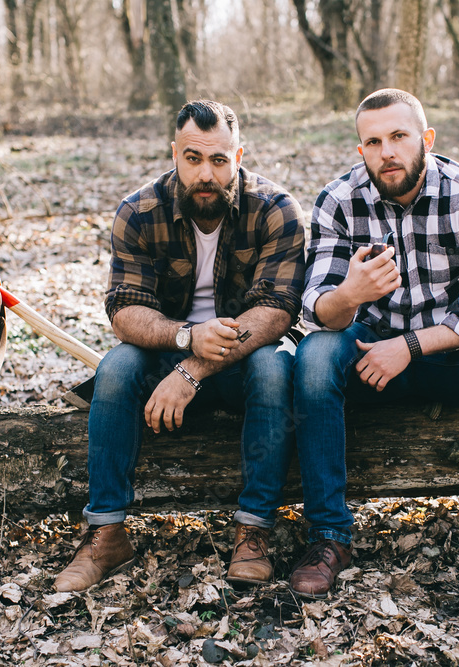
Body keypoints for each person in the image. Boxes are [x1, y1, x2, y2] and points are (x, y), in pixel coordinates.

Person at [291, 89, 459, 622]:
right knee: (311, 359)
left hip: (452, 356)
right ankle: (329, 537)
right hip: (366, 354)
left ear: (426, 139)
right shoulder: (338, 201)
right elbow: (316, 312)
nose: (387, 152)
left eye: (399, 137)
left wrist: (409, 346)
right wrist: (350, 294)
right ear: (361, 149)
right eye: (374, 142)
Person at [54, 100, 305, 592]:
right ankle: (105, 533)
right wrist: (186, 340)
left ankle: (252, 531)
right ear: (175, 153)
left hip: (244, 358)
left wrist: (192, 371)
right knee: (117, 366)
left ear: (239, 154)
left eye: (219, 160)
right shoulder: (139, 211)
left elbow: (276, 313)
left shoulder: (277, 210)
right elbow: (125, 310)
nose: (205, 174)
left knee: (276, 368)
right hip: (168, 352)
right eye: (193, 158)